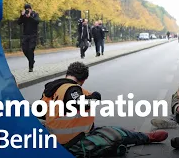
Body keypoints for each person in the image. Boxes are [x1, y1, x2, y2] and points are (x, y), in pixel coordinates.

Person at [39, 62, 168, 157]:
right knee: (115, 134)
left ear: (67, 73)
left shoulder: (50, 90)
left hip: (58, 140)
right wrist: (95, 96)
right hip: (72, 143)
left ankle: (132, 134)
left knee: (103, 129)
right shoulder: (71, 89)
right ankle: (147, 137)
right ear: (83, 80)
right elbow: (80, 103)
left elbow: (40, 112)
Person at [17, 4, 40, 72]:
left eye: (28, 9)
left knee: (30, 49)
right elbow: (18, 22)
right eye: (26, 9)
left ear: (31, 9)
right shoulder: (24, 16)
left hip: (33, 35)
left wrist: (30, 17)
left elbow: (37, 21)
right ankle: (32, 60)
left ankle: (31, 67)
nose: (27, 10)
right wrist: (22, 15)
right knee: (24, 49)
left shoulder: (35, 14)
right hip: (25, 35)